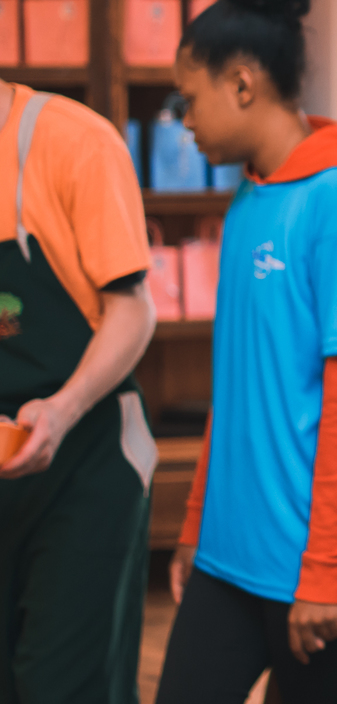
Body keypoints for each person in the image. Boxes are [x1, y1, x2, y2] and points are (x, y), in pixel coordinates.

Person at [154, 0, 337, 704]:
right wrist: (194, 525)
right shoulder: (248, 199)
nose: (184, 122)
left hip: (312, 574)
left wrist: (324, 569)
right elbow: (236, 387)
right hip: (225, 556)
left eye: (189, 100)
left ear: (241, 84)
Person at [0, 78, 157, 703]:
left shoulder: (73, 140)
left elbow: (132, 310)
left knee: (61, 684)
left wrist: (62, 410)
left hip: (85, 460)